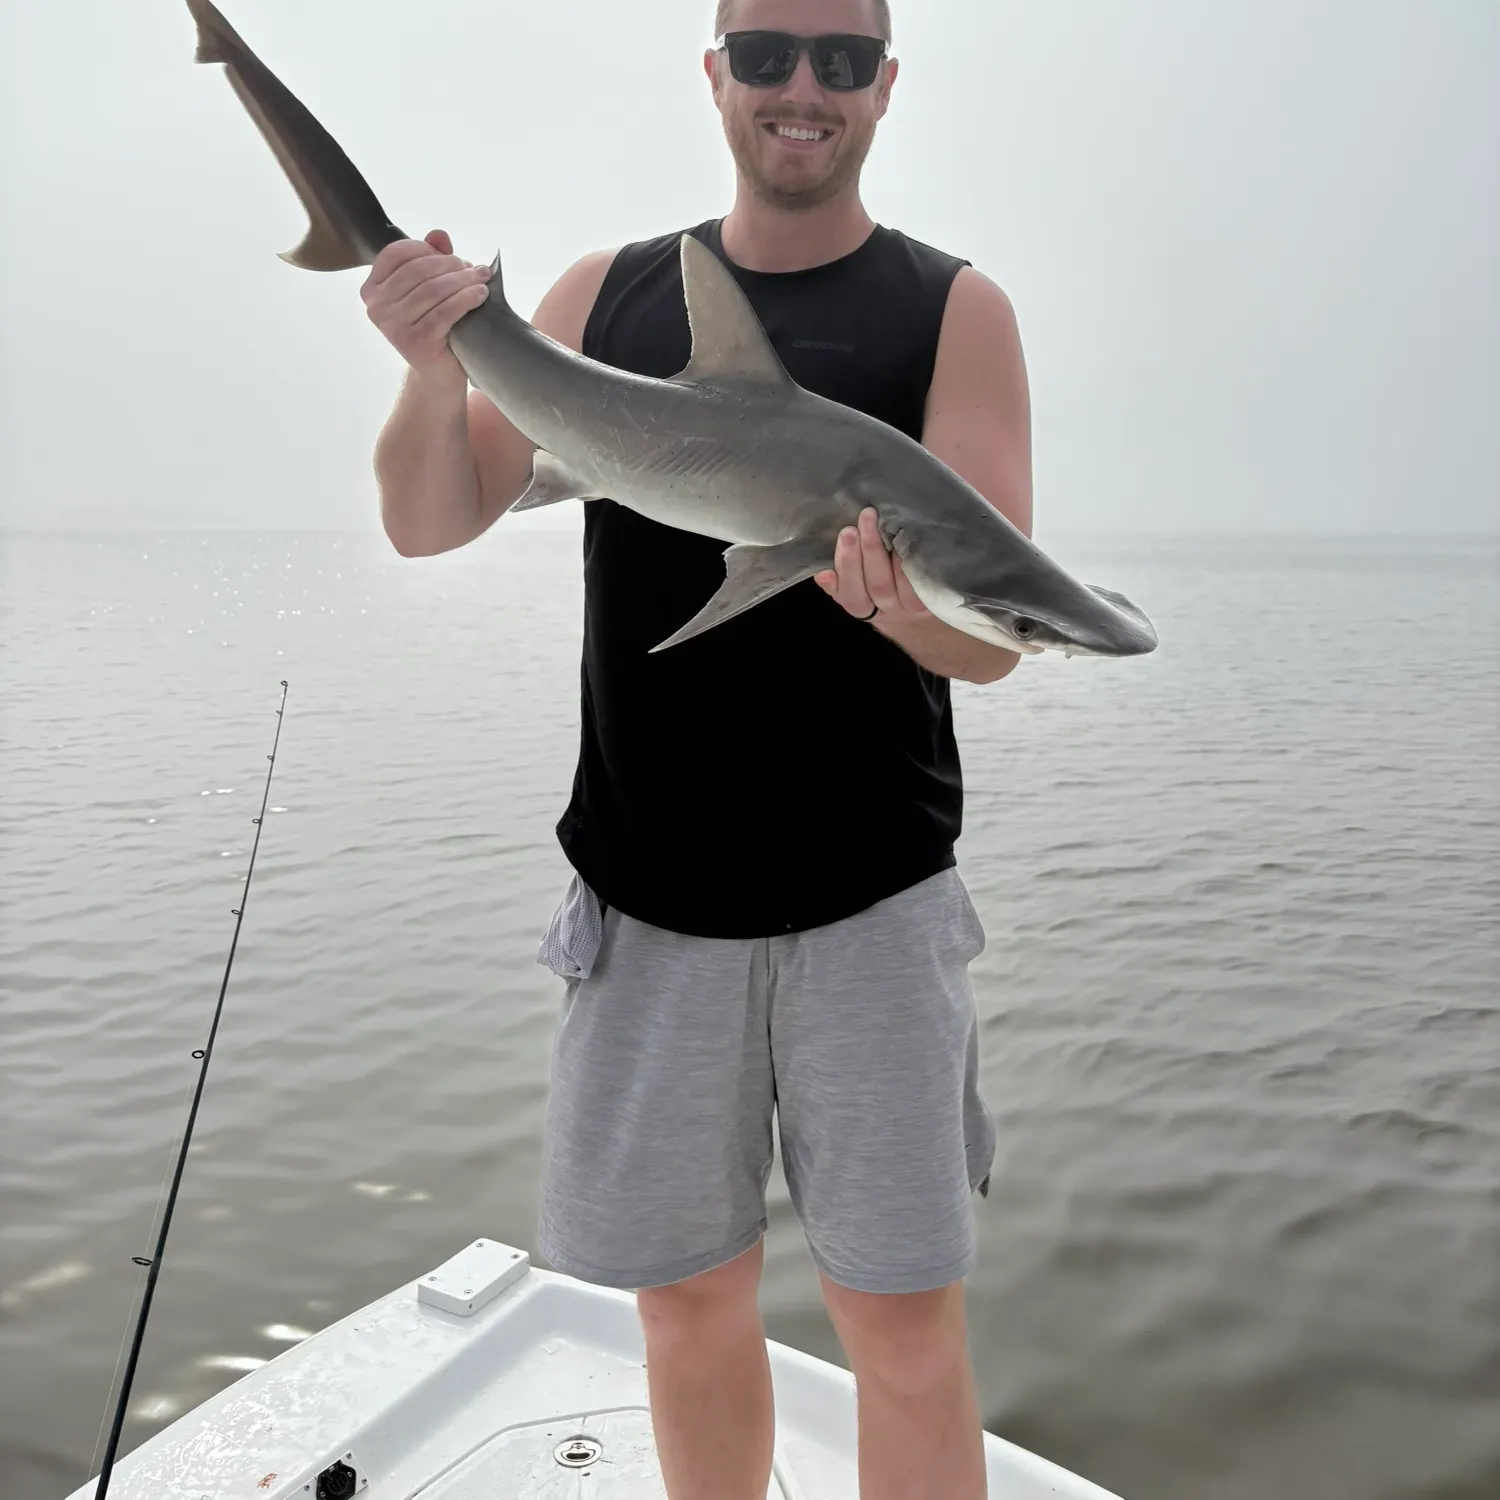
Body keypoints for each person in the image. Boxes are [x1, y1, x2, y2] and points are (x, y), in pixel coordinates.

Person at [363, 2, 1033, 1496]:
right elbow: (427, 520)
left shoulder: (953, 309)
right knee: (683, 1309)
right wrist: (431, 362)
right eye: (771, 51)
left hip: (874, 908)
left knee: (903, 1329)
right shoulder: (603, 298)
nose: (805, 86)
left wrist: (892, 609)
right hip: (650, 903)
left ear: (884, 85)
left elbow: (992, 636)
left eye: (841, 60)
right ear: (717, 72)